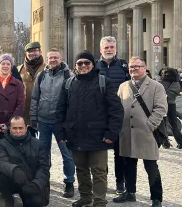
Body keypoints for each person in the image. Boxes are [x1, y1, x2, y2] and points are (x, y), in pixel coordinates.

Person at [55, 50, 124, 207]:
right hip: (76, 134)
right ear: (76, 66)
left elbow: (116, 110)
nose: (84, 65)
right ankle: (85, 197)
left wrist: (111, 133)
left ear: (93, 64)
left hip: (98, 135)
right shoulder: (69, 83)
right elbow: (60, 110)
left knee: (99, 171)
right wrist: (60, 132)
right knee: (81, 169)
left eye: (87, 62)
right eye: (80, 63)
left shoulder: (104, 82)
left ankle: (99, 201)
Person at [115, 57, 167, 207]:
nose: (133, 69)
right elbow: (118, 108)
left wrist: (150, 125)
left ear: (144, 68)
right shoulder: (123, 86)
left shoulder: (156, 86)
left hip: (146, 133)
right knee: (128, 165)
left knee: (151, 166)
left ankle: (156, 198)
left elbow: (161, 108)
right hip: (127, 133)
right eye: (131, 67)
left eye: (137, 66)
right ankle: (130, 192)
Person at [30, 48, 75, 198]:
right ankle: (44, 180)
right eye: (50, 58)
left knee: (67, 154)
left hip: (61, 122)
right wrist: (33, 117)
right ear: (47, 59)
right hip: (43, 120)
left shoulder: (69, 75)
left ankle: (69, 182)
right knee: (43, 153)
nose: (53, 60)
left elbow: (73, 101)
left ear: (60, 59)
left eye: (56, 57)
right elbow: (35, 97)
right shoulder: (42, 75)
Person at [0, 53, 25, 194]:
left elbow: (20, 105)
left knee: (10, 156)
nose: (5, 66)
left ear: (11, 66)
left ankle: (10, 185)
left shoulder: (18, 84)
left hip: (10, 125)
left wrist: (9, 124)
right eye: (3, 63)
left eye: (8, 63)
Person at [94, 36, 130, 194]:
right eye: (106, 47)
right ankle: (102, 180)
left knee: (119, 152)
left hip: (118, 114)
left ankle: (120, 182)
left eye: (112, 47)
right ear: (100, 49)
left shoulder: (123, 65)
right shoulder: (94, 66)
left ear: (116, 49)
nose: (109, 50)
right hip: (100, 115)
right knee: (100, 151)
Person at [0, 116, 50, 207]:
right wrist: (14, 170)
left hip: (31, 181)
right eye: (14, 128)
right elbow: (1, 162)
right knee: (2, 176)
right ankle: (8, 202)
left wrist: (36, 184)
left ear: (26, 128)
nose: (18, 131)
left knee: (35, 202)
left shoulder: (37, 144)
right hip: (13, 178)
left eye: (20, 128)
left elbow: (44, 167)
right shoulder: (2, 143)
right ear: (9, 128)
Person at [158, 67, 182, 149]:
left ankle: (165, 143)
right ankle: (181, 143)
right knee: (173, 125)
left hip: (161, 104)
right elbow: (177, 93)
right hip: (171, 105)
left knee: (161, 124)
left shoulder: (159, 83)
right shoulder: (176, 84)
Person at [18, 42, 45, 123]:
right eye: (29, 51)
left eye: (35, 50)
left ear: (40, 52)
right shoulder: (18, 69)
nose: (32, 53)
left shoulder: (47, 69)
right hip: (23, 114)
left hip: (41, 113)